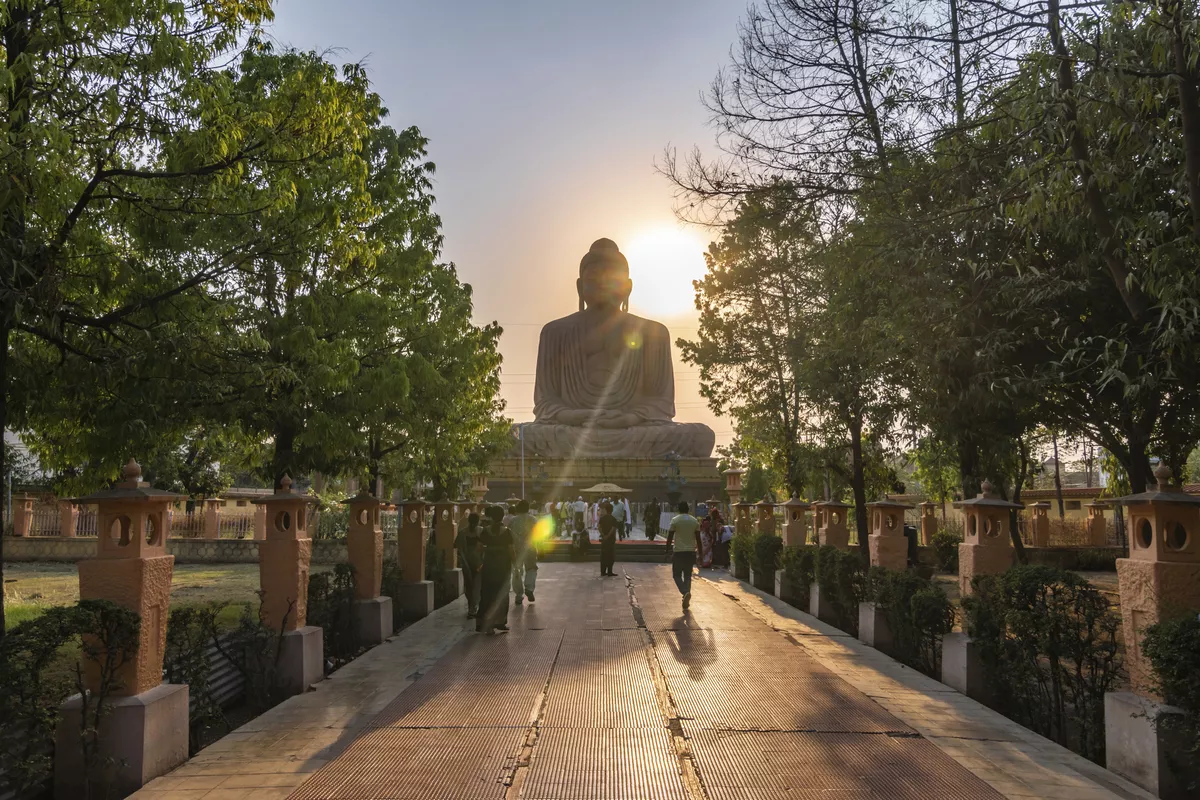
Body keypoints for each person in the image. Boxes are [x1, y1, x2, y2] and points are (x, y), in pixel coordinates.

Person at [477, 505, 515, 634]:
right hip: (503, 567)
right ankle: (500, 621)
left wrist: (489, 550)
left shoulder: (485, 531)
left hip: (488, 566)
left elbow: (479, 548)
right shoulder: (507, 531)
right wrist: (515, 563)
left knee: (487, 594)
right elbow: (511, 551)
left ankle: (487, 624)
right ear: (502, 516)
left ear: (491, 517)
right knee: (502, 594)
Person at [665, 501, 700, 611]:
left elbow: (670, 537)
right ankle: (686, 598)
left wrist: (667, 550)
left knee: (676, 575)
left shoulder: (675, 520)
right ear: (688, 509)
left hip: (679, 552)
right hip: (691, 552)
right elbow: (698, 539)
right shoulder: (694, 521)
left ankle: (685, 592)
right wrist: (701, 553)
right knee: (688, 575)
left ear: (679, 510)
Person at [509, 499, 538, 605]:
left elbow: (508, 535)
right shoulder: (533, 519)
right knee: (531, 568)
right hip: (530, 547)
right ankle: (529, 588)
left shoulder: (513, 520)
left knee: (516, 571)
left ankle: (518, 595)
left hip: (516, 549)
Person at [455, 512, 485, 618]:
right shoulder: (481, 531)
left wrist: (464, 561)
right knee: (477, 585)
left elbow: (459, 549)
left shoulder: (463, 532)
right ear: (478, 521)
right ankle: (474, 606)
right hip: (478, 563)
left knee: (469, 585)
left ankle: (472, 606)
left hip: (468, 563)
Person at [597, 500, 619, 576]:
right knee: (610, 555)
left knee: (603, 555)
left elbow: (599, 527)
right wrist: (608, 536)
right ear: (612, 510)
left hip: (604, 540)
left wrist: (603, 535)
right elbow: (613, 529)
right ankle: (609, 571)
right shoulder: (613, 519)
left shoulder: (602, 518)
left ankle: (603, 571)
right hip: (611, 539)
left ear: (606, 510)